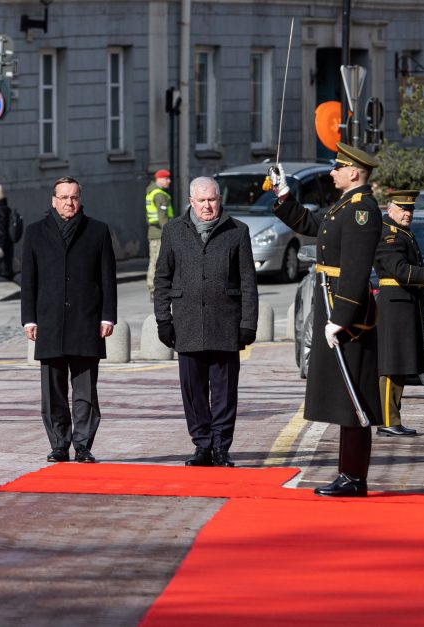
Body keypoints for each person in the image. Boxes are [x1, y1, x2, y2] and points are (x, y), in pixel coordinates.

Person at [270, 142, 382, 497]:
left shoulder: (362, 210)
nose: (332, 172)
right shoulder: (346, 206)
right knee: (343, 397)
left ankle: (353, 478)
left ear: (354, 173)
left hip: (345, 314)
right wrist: (283, 193)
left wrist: (343, 317)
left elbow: (356, 269)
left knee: (353, 398)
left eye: (338, 168)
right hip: (332, 305)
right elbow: (313, 225)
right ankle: (349, 475)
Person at [154, 177, 258, 468]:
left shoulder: (237, 231)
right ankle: (202, 445)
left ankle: (222, 446)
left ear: (219, 200)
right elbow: (162, 277)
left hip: (225, 324)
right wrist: (164, 319)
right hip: (186, 323)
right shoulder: (173, 231)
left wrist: (248, 323)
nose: (207, 206)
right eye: (201, 201)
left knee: (224, 392)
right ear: (191, 201)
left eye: (212, 200)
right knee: (193, 390)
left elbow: (249, 282)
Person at [20, 176, 117, 464]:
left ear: (80, 199)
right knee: (53, 392)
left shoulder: (97, 231)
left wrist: (107, 316)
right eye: (63, 197)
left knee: (86, 390)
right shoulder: (35, 232)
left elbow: (107, 279)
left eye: (73, 197)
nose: (69, 202)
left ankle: (83, 445)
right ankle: (59, 444)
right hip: (49, 321)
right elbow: (29, 280)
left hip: (86, 322)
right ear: (53, 200)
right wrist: (29, 319)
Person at [373, 190, 424, 437]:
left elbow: (414, 268)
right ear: (390, 210)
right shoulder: (388, 235)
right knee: (390, 364)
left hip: (405, 303)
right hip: (394, 305)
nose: (408, 214)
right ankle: (387, 420)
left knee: (398, 364)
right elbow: (400, 271)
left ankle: (393, 419)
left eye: (410, 210)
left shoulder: (402, 233)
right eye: (403, 209)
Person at [146, 169, 174, 302]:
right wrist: (170, 233)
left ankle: (153, 290)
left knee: (154, 261)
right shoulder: (160, 195)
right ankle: (156, 290)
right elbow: (163, 218)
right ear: (160, 179)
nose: (169, 181)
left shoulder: (152, 192)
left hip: (154, 232)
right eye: (167, 178)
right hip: (160, 234)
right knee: (158, 262)